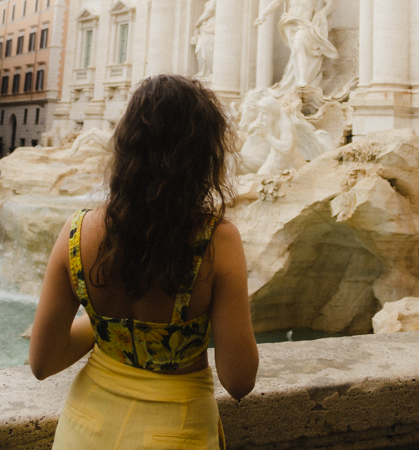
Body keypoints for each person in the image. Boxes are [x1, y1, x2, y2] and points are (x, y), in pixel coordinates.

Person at [29, 75, 259, 450]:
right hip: (176, 432)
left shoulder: (76, 232)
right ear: (204, 155)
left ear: (125, 147)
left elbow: (42, 362)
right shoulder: (217, 240)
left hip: (83, 429)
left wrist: (107, 326)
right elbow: (239, 380)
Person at [255, 0, 338, 93]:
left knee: (299, 45)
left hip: (306, 23)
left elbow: (330, 2)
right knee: (296, 51)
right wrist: (263, 15)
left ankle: (302, 80)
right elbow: (277, 1)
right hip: (290, 22)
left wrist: (322, 13)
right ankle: (298, 79)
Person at [191, 0, 218, 80]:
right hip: (206, 28)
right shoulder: (208, 2)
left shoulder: (215, 1)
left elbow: (208, 12)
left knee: (209, 49)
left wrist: (198, 22)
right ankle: (203, 72)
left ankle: (209, 72)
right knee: (201, 49)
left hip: (211, 26)